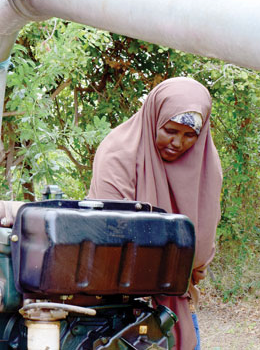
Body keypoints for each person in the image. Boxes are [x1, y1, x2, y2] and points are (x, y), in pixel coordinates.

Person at [87, 77, 222, 350]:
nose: (178, 142)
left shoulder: (206, 164)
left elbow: (202, 242)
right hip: (117, 305)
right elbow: (112, 236)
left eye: (189, 135)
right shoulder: (119, 154)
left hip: (175, 303)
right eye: (170, 130)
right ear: (154, 118)